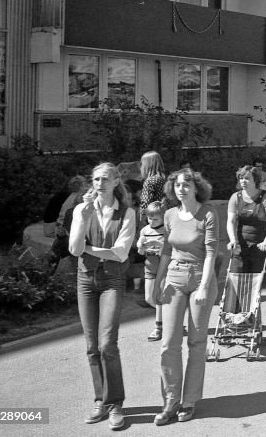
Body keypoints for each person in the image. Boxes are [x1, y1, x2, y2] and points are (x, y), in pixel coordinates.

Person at [68, 162, 136, 430]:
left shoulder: (127, 213)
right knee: (91, 345)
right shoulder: (81, 209)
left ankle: (116, 403)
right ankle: (101, 401)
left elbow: (120, 252)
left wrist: (90, 248)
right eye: (95, 179)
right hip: (85, 279)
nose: (99, 183)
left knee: (108, 343)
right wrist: (83, 216)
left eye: (105, 179)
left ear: (116, 181)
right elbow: (74, 250)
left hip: (112, 280)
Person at [152, 169, 218, 425]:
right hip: (175, 277)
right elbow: (167, 250)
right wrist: (158, 282)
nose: (181, 189)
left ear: (196, 187)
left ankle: (189, 400)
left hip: (201, 276)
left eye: (186, 185)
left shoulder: (208, 213)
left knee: (197, 342)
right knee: (169, 343)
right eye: (177, 185)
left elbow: (211, 251)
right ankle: (170, 401)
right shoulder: (169, 214)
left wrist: (203, 286)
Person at [227, 166, 266, 288]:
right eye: (241, 178)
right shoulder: (235, 197)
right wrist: (232, 240)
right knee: (236, 283)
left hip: (259, 246)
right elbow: (231, 221)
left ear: (256, 180)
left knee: (255, 289)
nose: (243, 181)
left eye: (247, 178)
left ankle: (254, 307)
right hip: (240, 245)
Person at [137, 201, 167, 341]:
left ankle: (158, 327)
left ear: (163, 218)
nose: (152, 222)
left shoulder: (166, 230)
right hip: (149, 266)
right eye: (150, 218)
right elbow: (140, 252)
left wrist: (158, 244)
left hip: (163, 266)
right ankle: (169, 316)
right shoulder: (144, 231)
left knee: (159, 297)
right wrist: (141, 246)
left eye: (156, 219)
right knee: (149, 298)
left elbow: (169, 250)